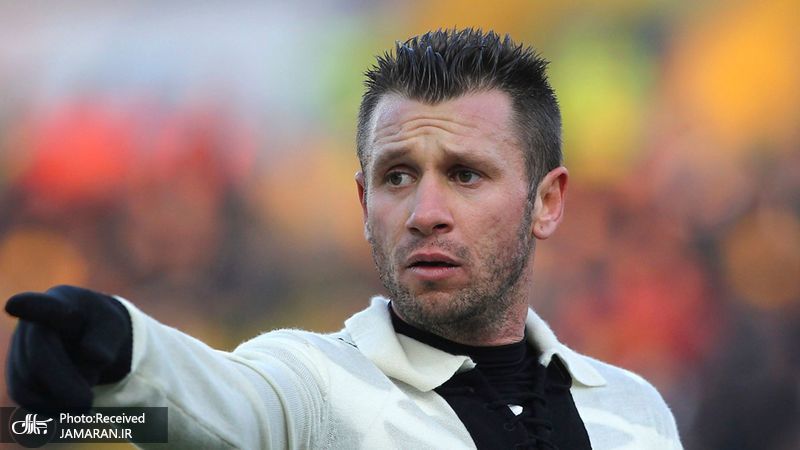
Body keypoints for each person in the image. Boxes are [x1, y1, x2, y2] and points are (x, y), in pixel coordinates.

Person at [5, 28, 682, 449]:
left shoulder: (639, 413)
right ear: (363, 202)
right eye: (396, 177)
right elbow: (220, 404)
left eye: (465, 175)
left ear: (547, 201)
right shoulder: (317, 390)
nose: (425, 212)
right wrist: (115, 349)